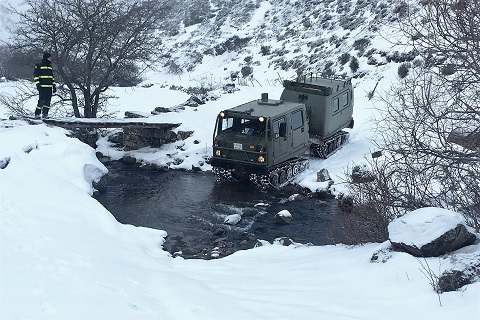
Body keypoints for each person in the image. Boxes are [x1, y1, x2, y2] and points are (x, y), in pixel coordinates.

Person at [33, 51, 56, 118]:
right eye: (49, 58)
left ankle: (45, 114)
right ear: (46, 58)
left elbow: (52, 77)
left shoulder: (50, 66)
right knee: (41, 101)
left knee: (48, 101)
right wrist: (38, 85)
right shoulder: (39, 65)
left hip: (49, 87)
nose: (50, 59)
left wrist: (54, 86)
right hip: (42, 87)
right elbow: (36, 76)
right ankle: (37, 114)